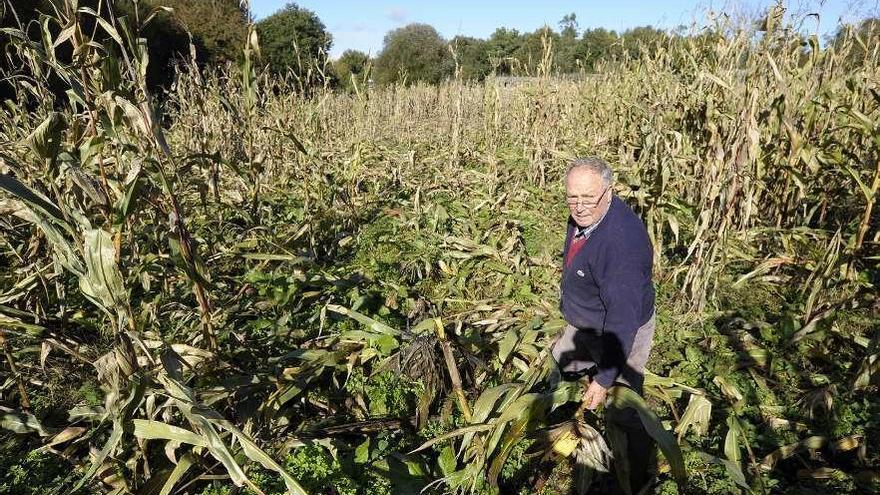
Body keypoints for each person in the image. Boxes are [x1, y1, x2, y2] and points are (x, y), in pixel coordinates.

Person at [551, 156, 657, 492]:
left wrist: (606, 377)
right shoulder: (589, 215)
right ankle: (574, 424)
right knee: (560, 360)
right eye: (572, 197)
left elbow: (622, 323)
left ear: (608, 193)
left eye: (588, 198)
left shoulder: (621, 247)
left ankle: (640, 477)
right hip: (590, 322)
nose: (579, 207)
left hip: (618, 331)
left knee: (624, 409)